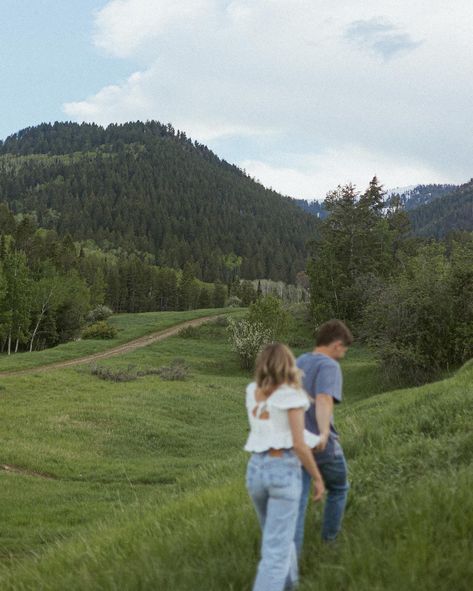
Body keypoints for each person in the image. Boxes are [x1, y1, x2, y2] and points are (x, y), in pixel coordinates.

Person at [245, 343, 325, 591]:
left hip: (256, 470)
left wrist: (315, 440)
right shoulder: (291, 395)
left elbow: (278, 432)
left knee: (279, 537)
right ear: (288, 364)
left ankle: (291, 586)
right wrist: (317, 478)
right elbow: (299, 445)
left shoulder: (252, 392)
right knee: (275, 554)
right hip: (282, 471)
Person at [294, 319, 353, 555]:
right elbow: (324, 399)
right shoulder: (329, 366)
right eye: (344, 350)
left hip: (297, 444)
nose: (343, 356)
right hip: (320, 445)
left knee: (298, 507)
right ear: (337, 344)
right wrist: (325, 433)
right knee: (339, 487)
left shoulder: (299, 361)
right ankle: (329, 542)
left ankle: (289, 568)